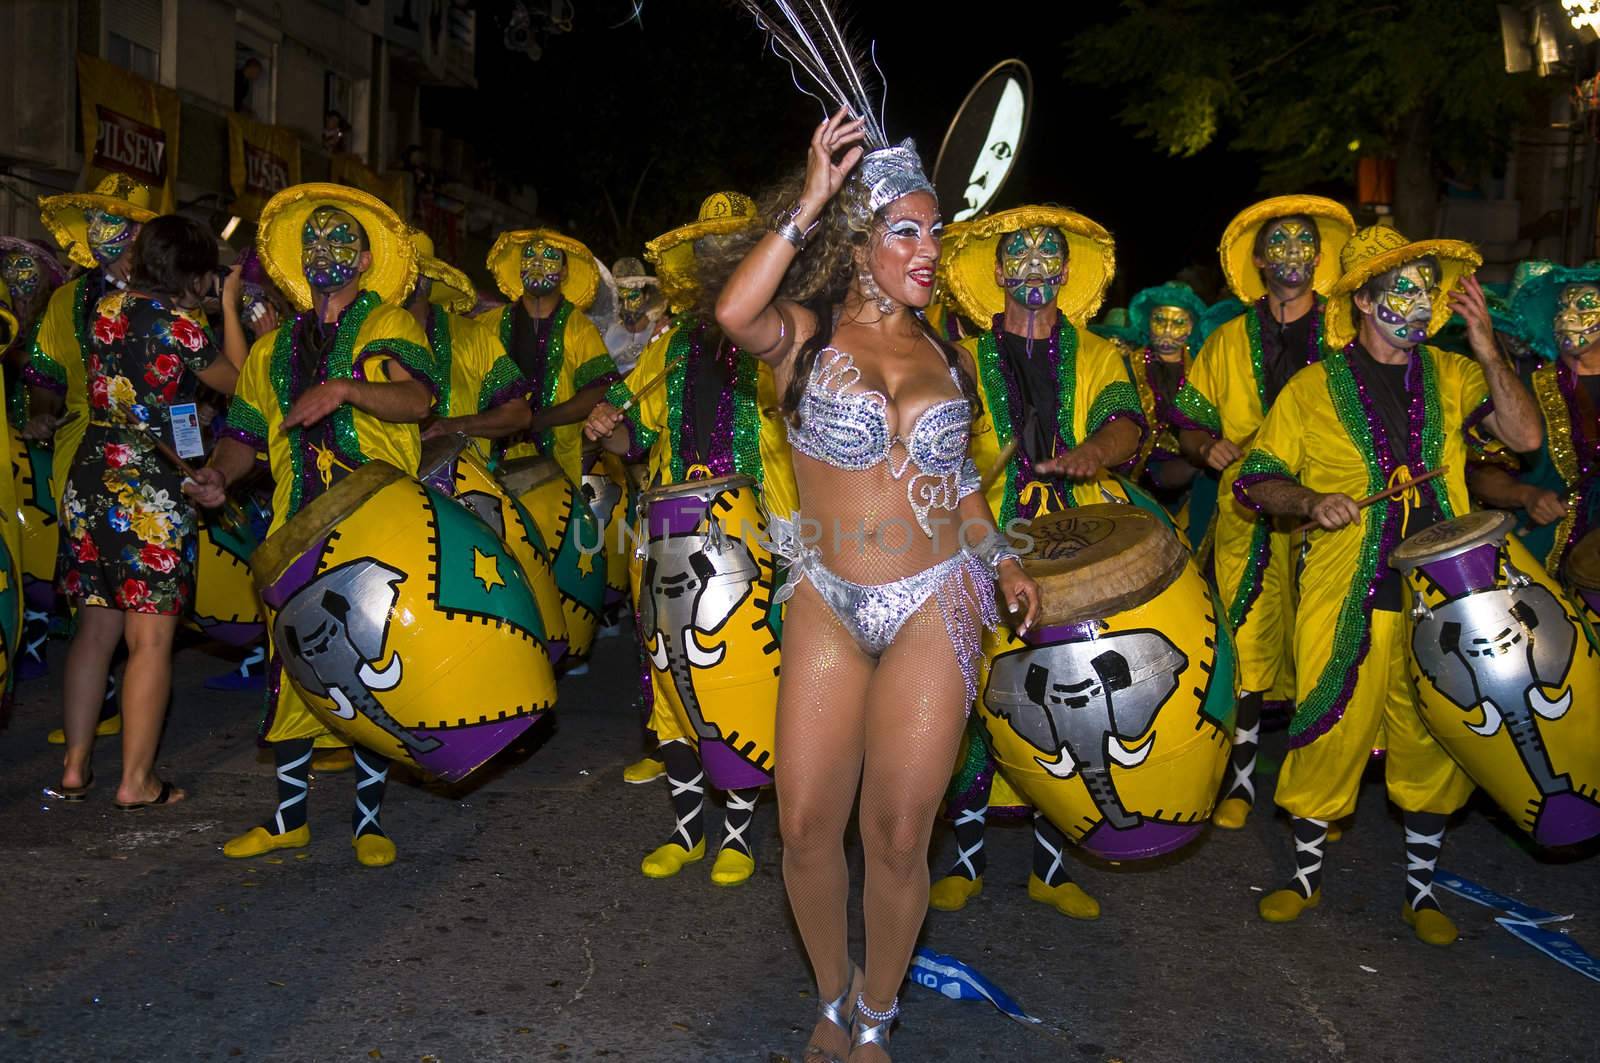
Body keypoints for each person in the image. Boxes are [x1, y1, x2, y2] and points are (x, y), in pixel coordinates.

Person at [713, 74, 1042, 1058]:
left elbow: (966, 493)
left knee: (900, 832)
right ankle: (827, 994)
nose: (930, 252)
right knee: (808, 825)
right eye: (906, 232)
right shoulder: (802, 341)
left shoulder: (952, 354)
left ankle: (875, 1014)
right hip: (827, 596)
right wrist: (807, 201)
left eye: (935, 235)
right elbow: (734, 312)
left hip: (935, 599)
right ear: (855, 242)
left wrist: (1004, 559)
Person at [1235, 225, 1540, 944]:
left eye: (1427, 290)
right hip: (1347, 597)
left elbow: (1525, 438)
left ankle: (1422, 892)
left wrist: (1487, 347)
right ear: (1365, 302)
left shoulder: (1455, 374)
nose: (1420, 302)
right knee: (1326, 734)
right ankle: (1305, 878)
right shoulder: (1312, 388)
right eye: (1402, 289)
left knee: (1434, 737)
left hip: (1448, 599)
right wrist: (1310, 502)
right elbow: (1257, 478)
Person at [185, 183, 437, 868]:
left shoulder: (390, 326)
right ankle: (289, 817)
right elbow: (244, 436)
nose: (324, 250)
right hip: (296, 528)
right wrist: (218, 474)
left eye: (339, 241)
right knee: (292, 667)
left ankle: (368, 820)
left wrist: (348, 389)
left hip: (376, 524)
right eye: (313, 241)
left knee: (367, 664)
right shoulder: (270, 352)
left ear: (363, 259)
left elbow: (416, 400)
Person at [927, 205, 1146, 921]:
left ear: (1064, 270)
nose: (1031, 268)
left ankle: (1052, 868)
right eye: (1017, 257)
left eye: (1045, 256)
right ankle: (965, 857)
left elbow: (1125, 423)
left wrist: (1095, 453)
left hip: (1078, 540)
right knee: (975, 689)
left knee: (1069, 688)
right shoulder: (961, 355)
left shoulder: (1100, 353)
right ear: (995, 273)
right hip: (981, 537)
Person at [585, 190, 797, 887]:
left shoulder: (782, 334)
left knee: (740, 681)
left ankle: (736, 835)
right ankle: (685, 830)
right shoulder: (669, 346)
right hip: (669, 533)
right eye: (710, 255)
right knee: (671, 683)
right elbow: (637, 438)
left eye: (735, 252)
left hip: (758, 528)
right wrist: (604, 429)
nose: (721, 265)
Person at [46, 215, 247, 808]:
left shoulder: (105, 310)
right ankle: (137, 780)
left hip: (91, 475)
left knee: (95, 627)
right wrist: (229, 307)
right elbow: (239, 383)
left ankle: (76, 764)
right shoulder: (180, 327)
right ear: (193, 271)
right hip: (148, 485)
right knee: (151, 639)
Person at [1168, 195, 1355, 831]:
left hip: (1332, 513)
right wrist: (1206, 445)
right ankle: (1242, 781)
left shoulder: (1350, 333)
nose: (1293, 253)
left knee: (1323, 641)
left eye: (1305, 242)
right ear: (1257, 258)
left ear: (1321, 256)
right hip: (1245, 513)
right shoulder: (1224, 341)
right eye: (1279, 242)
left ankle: (1317, 784)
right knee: (1246, 638)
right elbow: (1189, 421)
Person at [25, 176, 160, 734]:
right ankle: (101, 707)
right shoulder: (67, 300)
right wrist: (42, 410)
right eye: (99, 221)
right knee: (95, 596)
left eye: (118, 222)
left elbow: (198, 373)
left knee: (146, 604)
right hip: (81, 450)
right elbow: (46, 374)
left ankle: (124, 708)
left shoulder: (164, 293)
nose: (106, 233)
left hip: (153, 456)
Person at [1467, 264, 1600, 573]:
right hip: (1546, 562)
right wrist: (1527, 495)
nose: (1567, 316)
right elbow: (1481, 473)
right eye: (1561, 307)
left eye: (1585, 306)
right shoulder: (1522, 391)